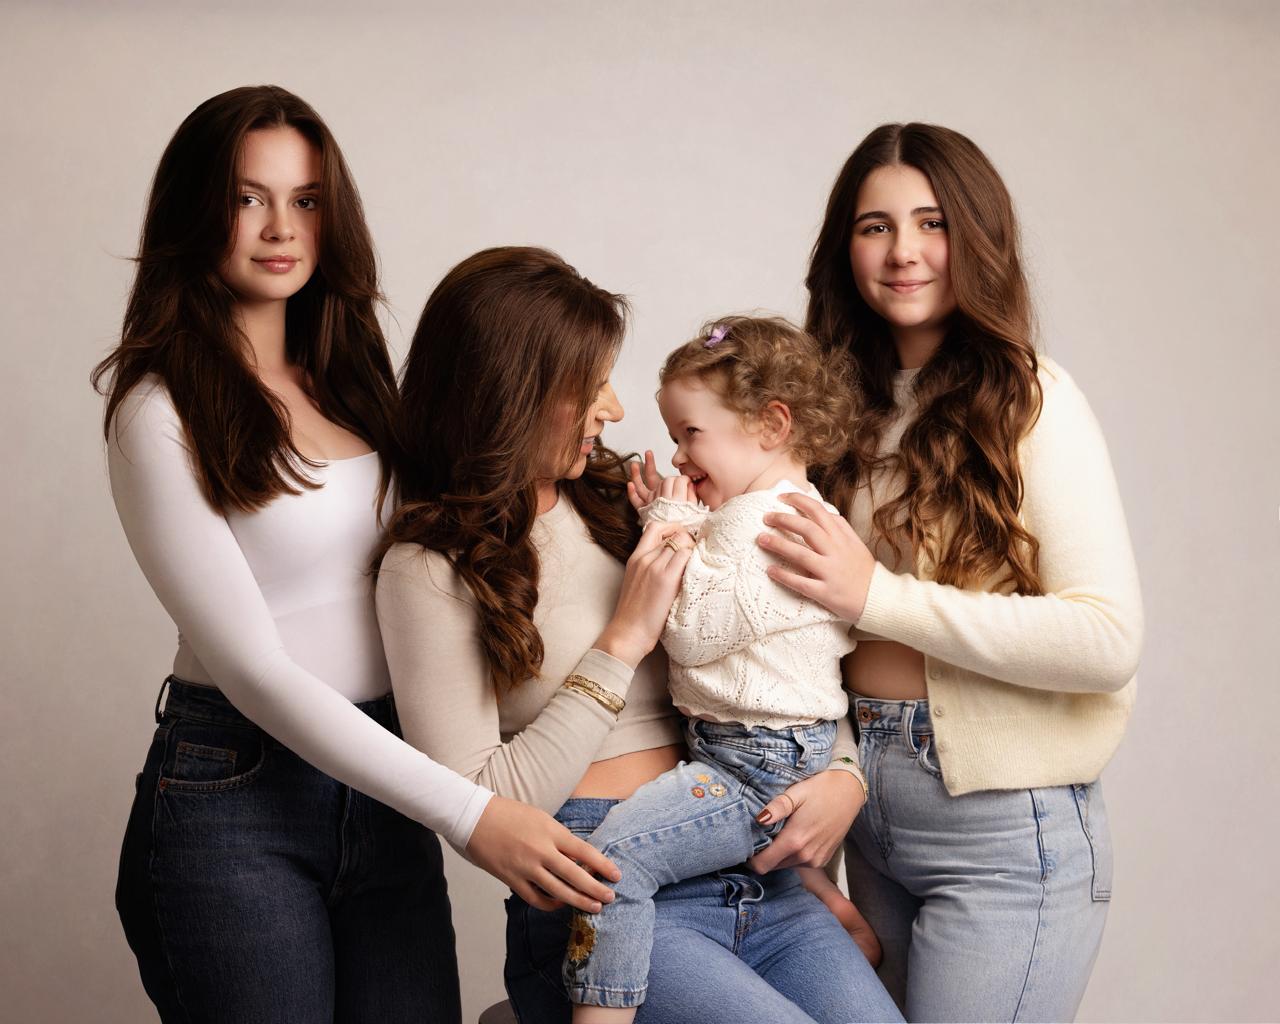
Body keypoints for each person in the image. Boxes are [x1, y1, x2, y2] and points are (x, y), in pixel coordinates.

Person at [98, 86, 615, 1024]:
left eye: (305, 200)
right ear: (194, 211)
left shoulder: (356, 377)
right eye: (247, 198)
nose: (280, 227)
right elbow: (255, 672)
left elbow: (477, 503)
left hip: (385, 780)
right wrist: (471, 812)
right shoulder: (158, 409)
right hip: (236, 794)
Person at [376, 247, 900, 1024]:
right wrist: (622, 640)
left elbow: (787, 652)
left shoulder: (629, 500)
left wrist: (843, 776)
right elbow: (483, 808)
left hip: (745, 859)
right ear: (513, 391)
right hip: (601, 885)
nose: (614, 409)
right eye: (589, 386)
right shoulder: (429, 567)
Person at [756, 122, 1144, 1022]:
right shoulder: (832, 414)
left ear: (976, 237)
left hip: (1004, 836)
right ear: (844, 247)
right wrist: (838, 777)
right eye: (876, 226)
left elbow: (1106, 639)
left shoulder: (1031, 399)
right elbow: (804, 637)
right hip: (868, 821)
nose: (904, 252)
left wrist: (878, 597)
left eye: (932, 223)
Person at [562, 315, 889, 1023]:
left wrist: (664, 529)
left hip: (752, 764)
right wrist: (676, 522)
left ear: (772, 425)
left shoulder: (762, 524)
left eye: (691, 433)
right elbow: (723, 584)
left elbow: (689, 632)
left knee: (614, 860)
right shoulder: (782, 511)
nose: (680, 457)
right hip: (774, 755)